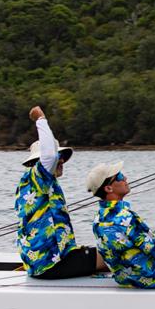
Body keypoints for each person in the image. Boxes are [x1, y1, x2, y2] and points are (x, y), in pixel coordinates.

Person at [15, 106, 107, 279]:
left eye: (62, 157)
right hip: (52, 264)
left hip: (53, 260)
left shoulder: (42, 184)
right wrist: (40, 119)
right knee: (118, 255)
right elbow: (49, 156)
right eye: (59, 158)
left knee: (109, 254)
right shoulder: (37, 176)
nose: (62, 160)